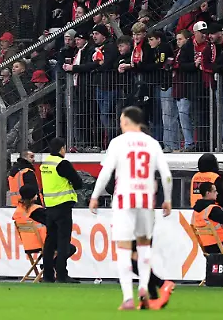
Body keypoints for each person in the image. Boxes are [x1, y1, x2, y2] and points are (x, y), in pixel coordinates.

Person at [90, 106, 173, 310]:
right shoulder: (152, 143)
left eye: (121, 120)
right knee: (144, 248)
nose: (120, 123)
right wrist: (168, 199)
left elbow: (106, 172)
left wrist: (95, 196)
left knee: (124, 249)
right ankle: (144, 287)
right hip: (146, 199)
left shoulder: (118, 143)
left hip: (124, 199)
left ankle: (128, 297)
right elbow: (166, 175)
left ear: (127, 121)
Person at [39, 137, 83, 284]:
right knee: (63, 242)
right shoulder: (62, 163)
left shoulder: (45, 164)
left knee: (50, 242)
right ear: (62, 149)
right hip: (63, 206)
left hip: (49, 207)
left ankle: (48, 276)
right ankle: (62, 275)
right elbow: (78, 183)